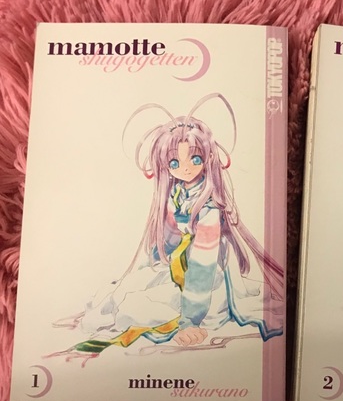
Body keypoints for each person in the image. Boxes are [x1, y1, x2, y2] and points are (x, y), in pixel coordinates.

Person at [64, 94, 284, 354]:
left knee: (147, 308)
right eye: (174, 163)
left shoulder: (209, 208)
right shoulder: (176, 194)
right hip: (178, 263)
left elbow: (203, 265)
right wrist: (155, 264)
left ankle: (190, 316)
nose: (186, 168)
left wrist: (190, 321)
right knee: (129, 293)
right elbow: (167, 240)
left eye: (195, 159)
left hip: (207, 270)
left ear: (207, 158)